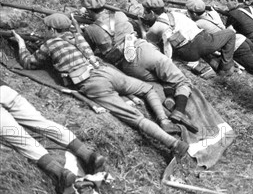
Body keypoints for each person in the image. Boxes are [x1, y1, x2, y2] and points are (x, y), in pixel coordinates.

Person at [12, 14, 189, 159]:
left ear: (52, 30)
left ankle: (173, 144)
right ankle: (163, 120)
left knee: (135, 118)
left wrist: (21, 44)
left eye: (47, 29)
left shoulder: (49, 44)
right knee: (147, 89)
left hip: (92, 84)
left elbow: (29, 63)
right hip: (105, 72)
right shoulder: (78, 37)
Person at [80, 0, 194, 132]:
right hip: (145, 51)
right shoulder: (120, 15)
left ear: (88, 9)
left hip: (128, 65)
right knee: (182, 81)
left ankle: (169, 98)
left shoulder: (90, 30)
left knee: (156, 81)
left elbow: (88, 50)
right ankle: (179, 111)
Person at [0, 81, 106, 194]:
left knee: (21, 139)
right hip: (6, 91)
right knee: (44, 124)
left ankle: (60, 174)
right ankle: (88, 155)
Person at [185, 0, 253, 87]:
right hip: (241, 38)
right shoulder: (213, 13)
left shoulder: (197, 24)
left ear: (193, 14)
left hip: (236, 46)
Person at [142, 0, 236, 76]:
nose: (144, 15)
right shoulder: (177, 14)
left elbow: (147, 41)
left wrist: (140, 25)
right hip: (204, 42)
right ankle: (225, 68)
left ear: (152, 13)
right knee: (230, 33)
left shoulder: (155, 28)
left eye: (145, 12)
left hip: (188, 54)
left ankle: (203, 66)